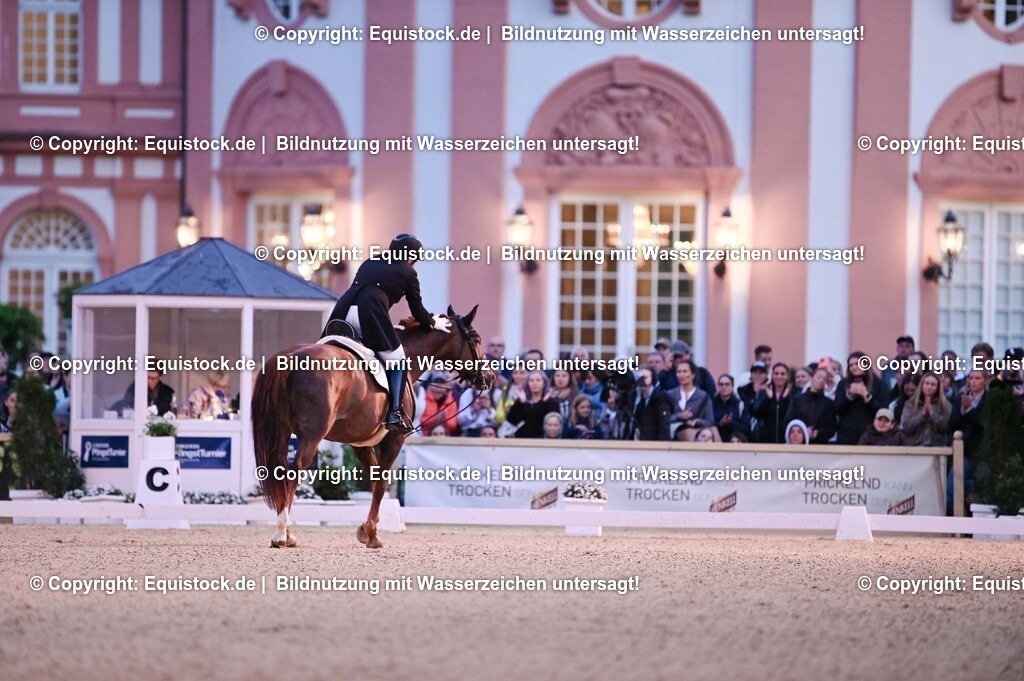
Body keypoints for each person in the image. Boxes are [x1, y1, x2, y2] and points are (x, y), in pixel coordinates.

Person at [322, 234, 451, 433]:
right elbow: (417, 309)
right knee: (398, 359)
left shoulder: (370, 262)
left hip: (343, 310)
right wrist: (432, 322)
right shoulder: (408, 272)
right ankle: (394, 414)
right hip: (370, 314)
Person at [834, 352, 887, 444]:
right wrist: (849, 396)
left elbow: (883, 411)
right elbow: (836, 409)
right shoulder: (843, 384)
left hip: (871, 437)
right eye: (851, 365)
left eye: (857, 364)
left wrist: (867, 397)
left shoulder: (879, 385)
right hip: (846, 438)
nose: (854, 367)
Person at [784, 367, 836, 444]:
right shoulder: (797, 399)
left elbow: (832, 428)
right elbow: (788, 422)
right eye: (819, 377)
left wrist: (818, 433)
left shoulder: (828, 403)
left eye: (824, 379)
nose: (821, 380)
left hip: (820, 445)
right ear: (812, 378)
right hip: (799, 445)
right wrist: (803, 430)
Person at [900, 372, 951, 447]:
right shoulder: (910, 404)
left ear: (938, 387)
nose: (929, 387)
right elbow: (906, 428)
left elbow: (947, 427)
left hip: (938, 448)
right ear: (922, 385)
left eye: (933, 385)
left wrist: (932, 415)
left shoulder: (945, 405)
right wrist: (922, 416)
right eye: (927, 383)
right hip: (916, 447)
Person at [667, 359, 715, 438]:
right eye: (679, 372)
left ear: (693, 375)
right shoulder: (669, 395)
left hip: (695, 439)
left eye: (685, 371)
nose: (681, 375)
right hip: (672, 439)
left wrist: (698, 422)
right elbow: (663, 419)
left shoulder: (703, 397)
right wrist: (678, 416)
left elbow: (710, 421)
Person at [506, 371, 557, 439]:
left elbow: (546, 420)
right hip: (521, 440)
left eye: (538, 380)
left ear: (544, 383)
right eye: (531, 381)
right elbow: (511, 420)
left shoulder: (551, 402)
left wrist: (544, 402)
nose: (534, 383)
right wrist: (521, 403)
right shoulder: (521, 401)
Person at [752, 363, 792, 444]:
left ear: (787, 376)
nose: (779, 377)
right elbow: (756, 413)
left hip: (786, 441)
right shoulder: (763, 393)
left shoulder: (793, 394)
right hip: (766, 441)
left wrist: (786, 399)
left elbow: (793, 415)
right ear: (772, 376)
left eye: (783, 374)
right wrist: (768, 399)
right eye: (776, 373)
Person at [633, 367, 672, 441]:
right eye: (639, 377)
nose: (642, 380)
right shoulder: (635, 398)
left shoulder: (660, 398)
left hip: (654, 444)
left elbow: (664, 427)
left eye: (645, 377)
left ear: (653, 379)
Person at [712, 374, 750, 443]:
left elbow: (746, 429)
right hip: (716, 444)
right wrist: (720, 424)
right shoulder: (712, 404)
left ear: (732, 386)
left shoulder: (740, 405)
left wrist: (731, 423)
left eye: (727, 384)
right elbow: (708, 425)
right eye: (721, 384)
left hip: (734, 445)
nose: (724, 387)